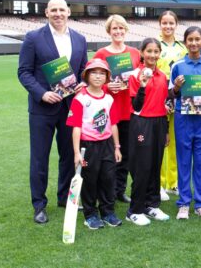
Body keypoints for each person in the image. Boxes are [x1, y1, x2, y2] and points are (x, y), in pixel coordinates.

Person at [18, 0, 87, 224]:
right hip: (42, 108)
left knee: (69, 155)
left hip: (70, 107)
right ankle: (39, 205)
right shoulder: (33, 38)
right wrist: (42, 93)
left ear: (68, 11)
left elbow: (84, 69)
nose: (58, 13)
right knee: (40, 158)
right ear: (46, 12)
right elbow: (24, 72)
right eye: (53, 10)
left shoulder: (80, 38)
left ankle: (64, 198)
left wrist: (83, 82)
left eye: (62, 9)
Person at [66, 58, 123, 229]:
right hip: (87, 146)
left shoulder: (109, 99)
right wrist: (77, 153)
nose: (98, 77)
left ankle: (108, 212)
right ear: (87, 75)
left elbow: (113, 124)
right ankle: (90, 215)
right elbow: (76, 127)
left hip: (106, 144)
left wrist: (117, 147)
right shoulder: (80, 98)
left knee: (108, 178)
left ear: (107, 77)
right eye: (94, 73)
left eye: (102, 73)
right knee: (90, 180)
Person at [170, 27, 201, 220]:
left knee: (200, 161)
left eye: (197, 39)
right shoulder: (178, 65)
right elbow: (171, 94)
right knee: (184, 160)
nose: (193, 43)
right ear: (185, 42)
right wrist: (176, 87)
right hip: (183, 118)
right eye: (190, 39)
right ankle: (183, 204)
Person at [93, 15, 141, 204]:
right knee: (109, 154)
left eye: (121, 28)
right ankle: (108, 191)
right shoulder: (101, 55)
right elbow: (93, 81)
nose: (118, 31)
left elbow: (139, 81)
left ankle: (120, 190)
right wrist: (106, 87)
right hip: (109, 112)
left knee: (127, 154)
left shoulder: (135, 53)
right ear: (109, 31)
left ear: (126, 30)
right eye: (115, 28)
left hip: (129, 110)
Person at [125, 38, 170, 226]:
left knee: (155, 165)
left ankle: (151, 204)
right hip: (141, 123)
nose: (152, 55)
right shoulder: (135, 75)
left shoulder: (162, 76)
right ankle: (135, 210)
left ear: (160, 54)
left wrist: (166, 129)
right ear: (141, 53)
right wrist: (143, 84)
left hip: (159, 123)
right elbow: (136, 106)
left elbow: (164, 104)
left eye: (156, 51)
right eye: (149, 51)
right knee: (142, 167)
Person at [157, 11, 187, 202]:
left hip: (177, 99)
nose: (168, 26)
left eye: (171, 23)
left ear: (176, 25)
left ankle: (173, 181)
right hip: (159, 99)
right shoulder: (154, 45)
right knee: (160, 142)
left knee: (176, 142)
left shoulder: (182, 48)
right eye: (164, 23)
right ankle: (158, 183)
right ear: (160, 24)